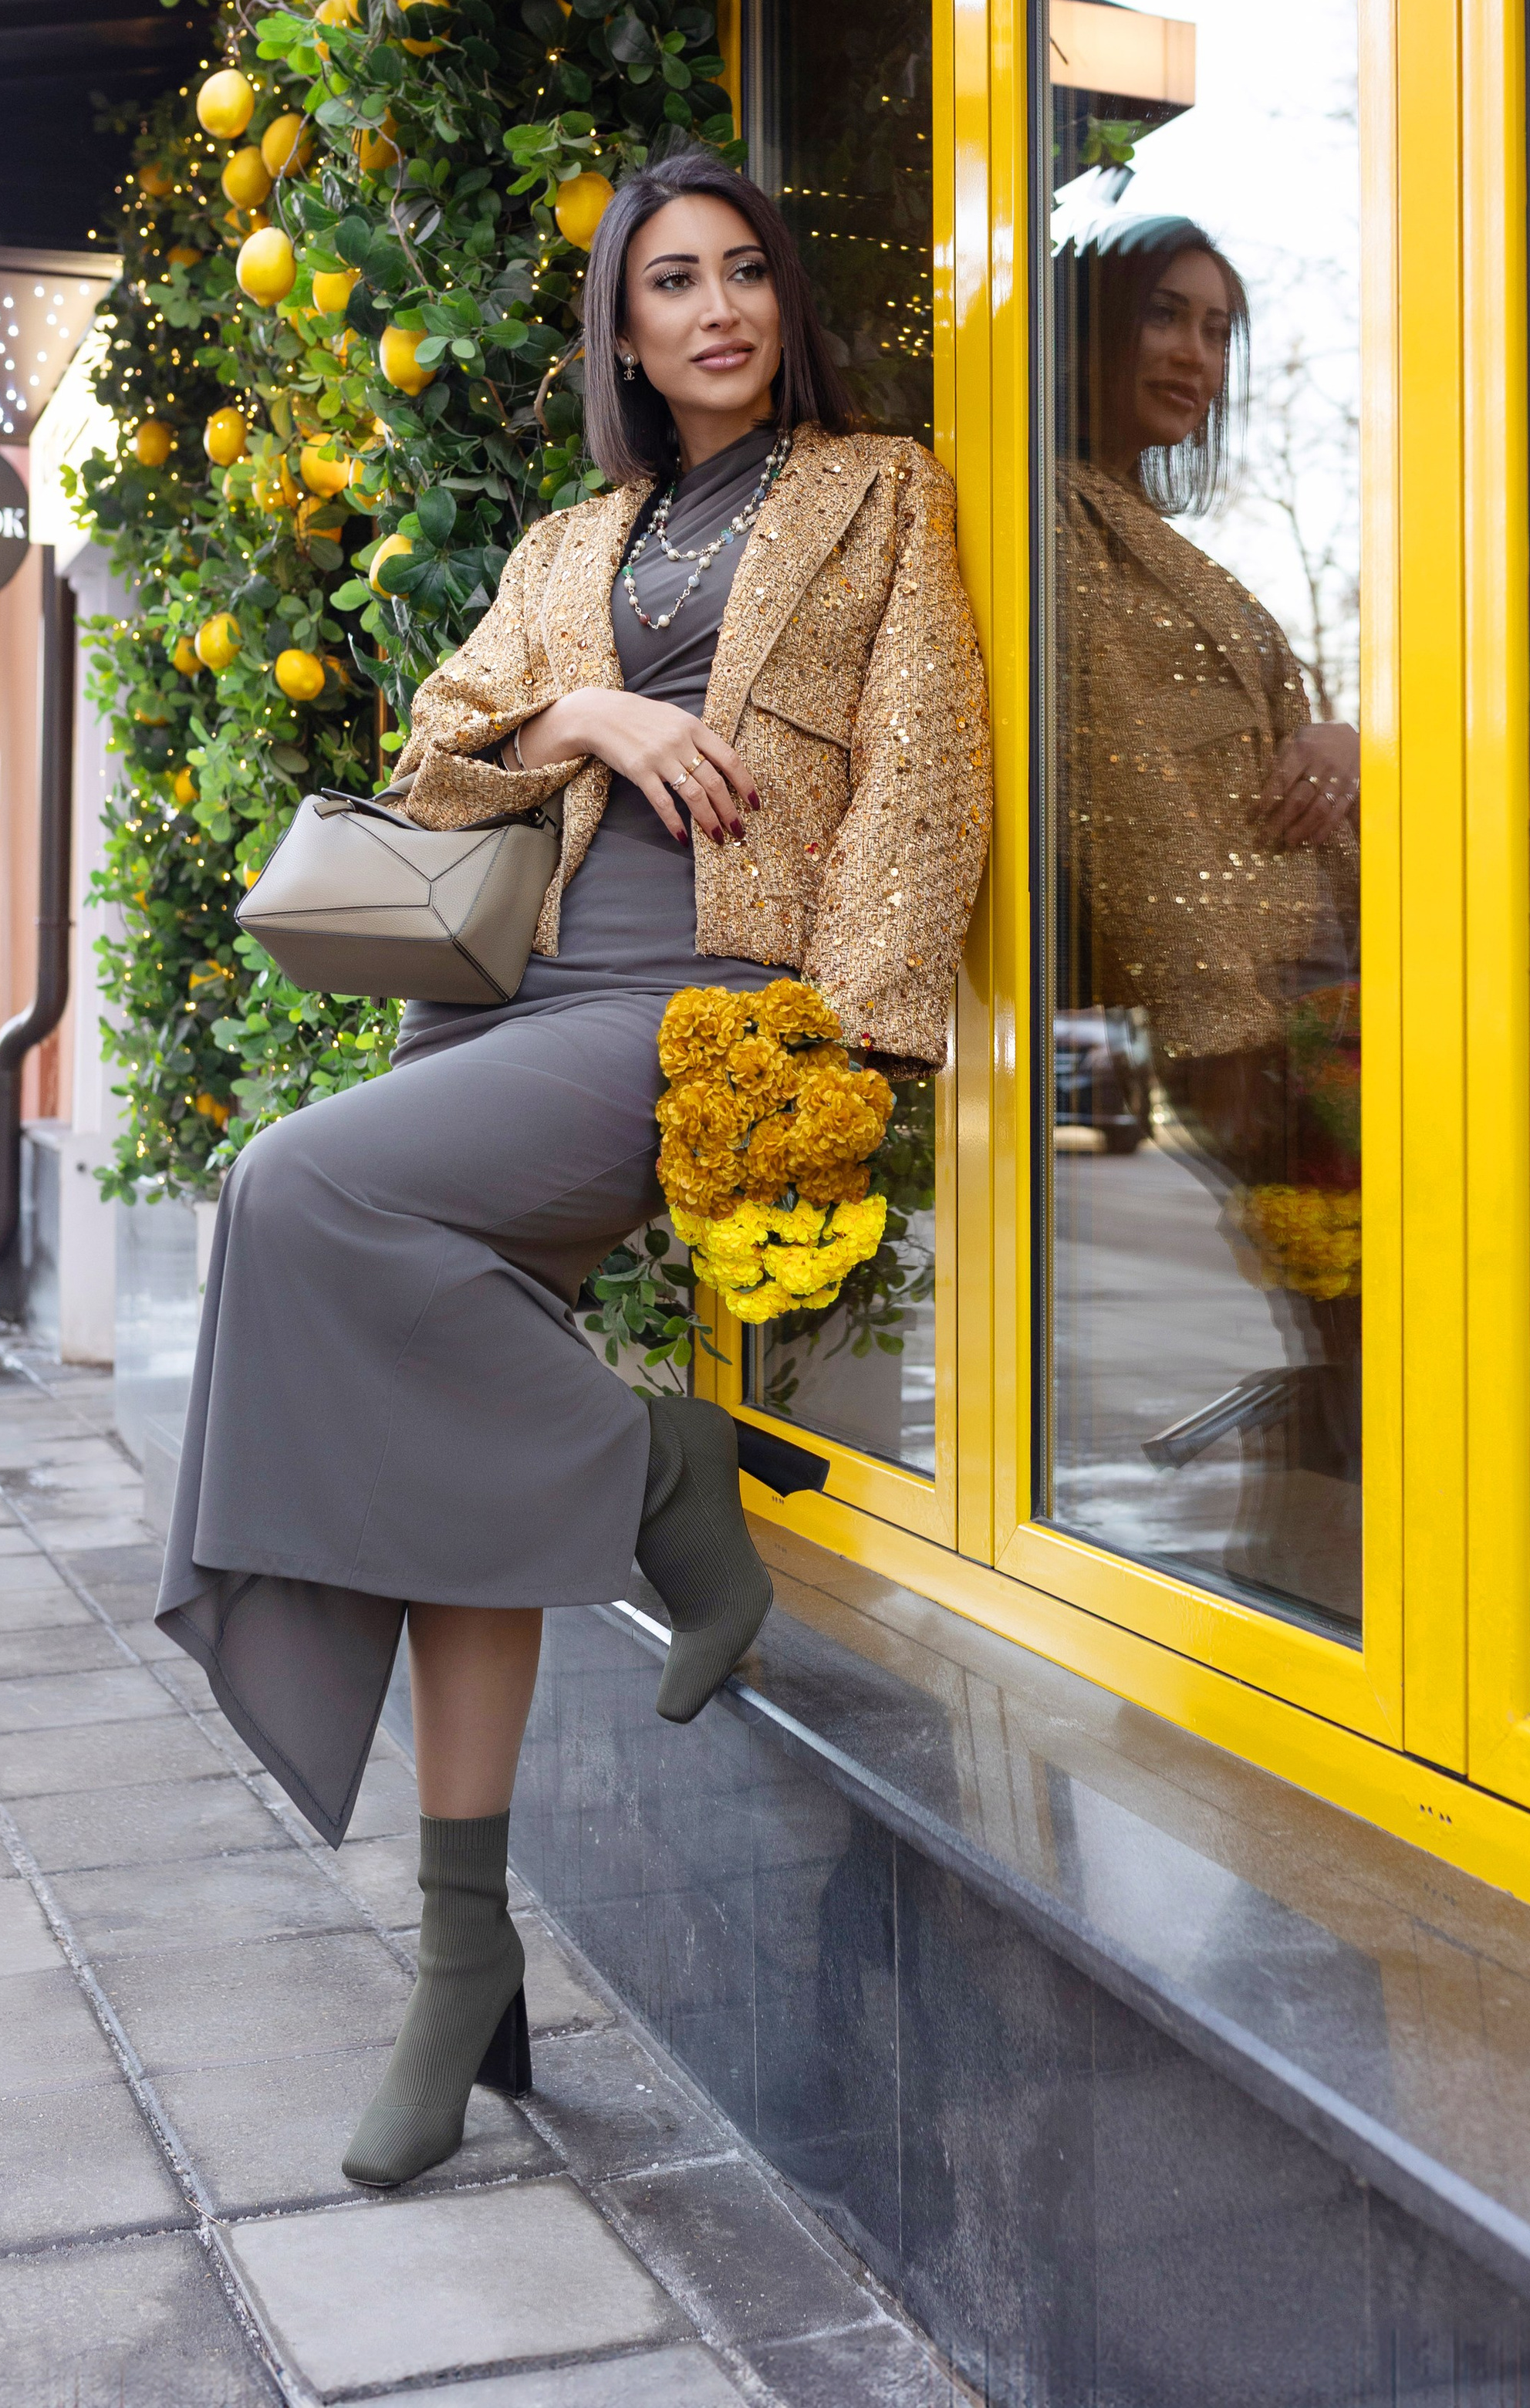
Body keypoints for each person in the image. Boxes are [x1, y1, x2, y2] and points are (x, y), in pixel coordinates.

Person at [156, 145, 991, 2191]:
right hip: (505, 1000)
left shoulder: (881, 491)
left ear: (787, 302)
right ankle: (459, 1953)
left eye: (746, 277)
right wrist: (597, 708)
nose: (717, 312)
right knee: (449, 1479)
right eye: (673, 285)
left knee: (294, 1191)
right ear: (622, 328)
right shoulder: (570, 537)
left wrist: (847, 1046)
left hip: (697, 1005)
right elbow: (446, 740)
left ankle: (651, 1470)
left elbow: (930, 762)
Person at [1055, 218, 1362, 1614]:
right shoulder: (1048, 515)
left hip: (1319, 973)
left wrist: (1346, 739)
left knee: (1359, 1325)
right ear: (1098, 330)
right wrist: (1221, 1032)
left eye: (1220, 328)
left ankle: (1313, 1596)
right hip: (1253, 1000)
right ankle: (1312, 1613)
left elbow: (1276, 743)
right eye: (1167, 317)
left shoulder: (1162, 538)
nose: (1196, 354)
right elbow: (1117, 789)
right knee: (1353, 1315)